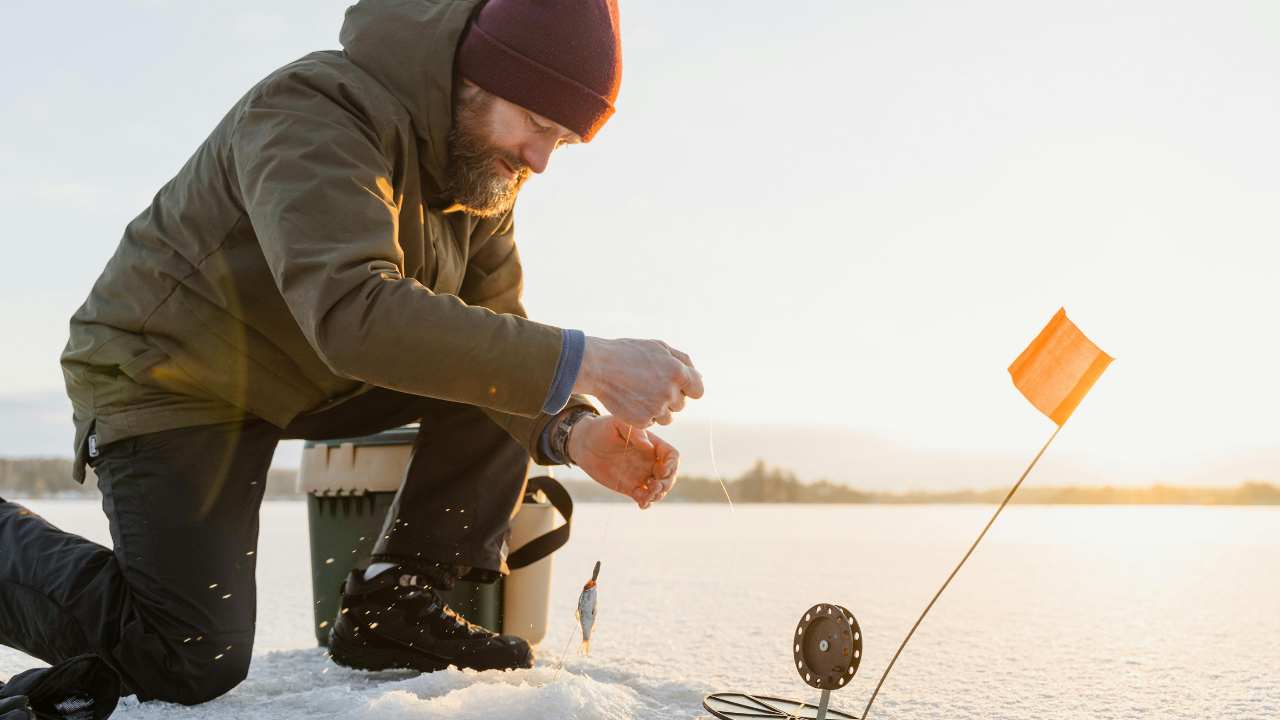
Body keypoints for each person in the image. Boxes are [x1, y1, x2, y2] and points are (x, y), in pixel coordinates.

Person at [0, 0, 703, 707]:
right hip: (169, 373)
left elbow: (498, 328)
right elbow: (350, 313)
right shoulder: (315, 108)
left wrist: (572, 431)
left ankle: (392, 604)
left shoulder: (479, 175)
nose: (542, 160)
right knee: (188, 656)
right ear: (476, 77)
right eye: (538, 125)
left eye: (564, 142)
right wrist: (588, 359)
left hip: (305, 373)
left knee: (500, 370)